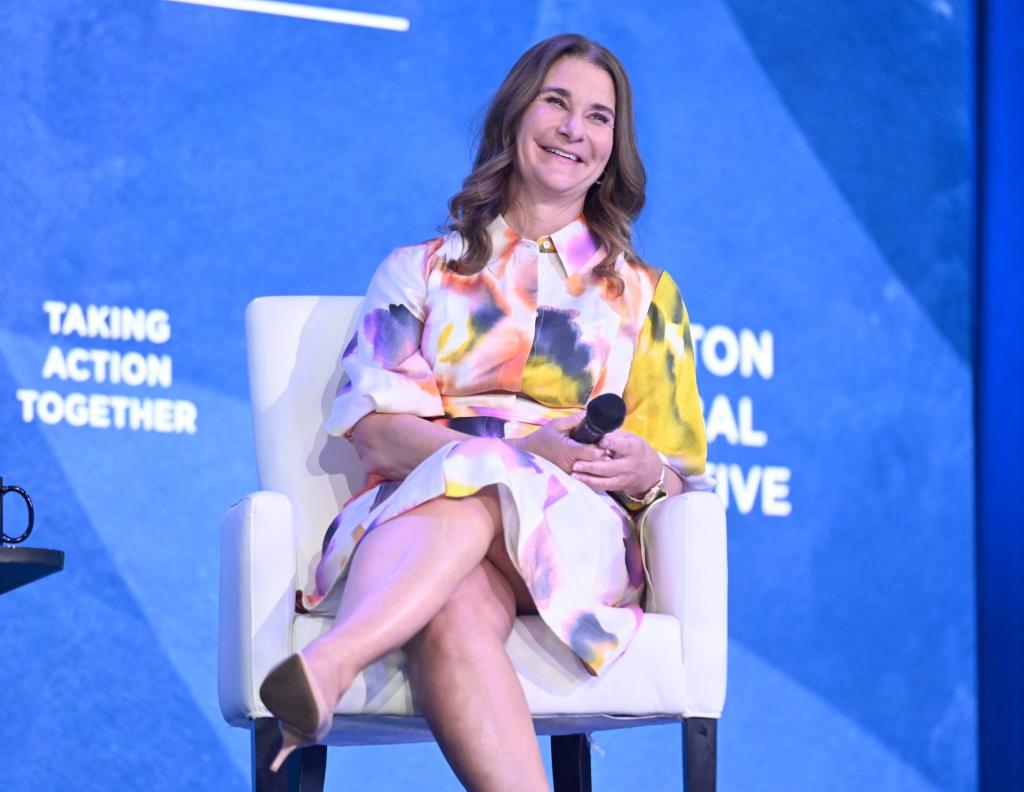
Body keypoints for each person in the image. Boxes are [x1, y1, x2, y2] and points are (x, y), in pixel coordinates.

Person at [258, 32, 710, 792]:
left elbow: (678, 475)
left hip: (577, 537)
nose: (575, 129)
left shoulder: (645, 297)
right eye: (556, 103)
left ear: (613, 146)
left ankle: (332, 663)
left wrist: (646, 468)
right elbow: (377, 432)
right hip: (418, 521)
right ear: (515, 116)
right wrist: (529, 445)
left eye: (599, 117)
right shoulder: (420, 271)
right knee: (458, 606)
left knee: (483, 464)